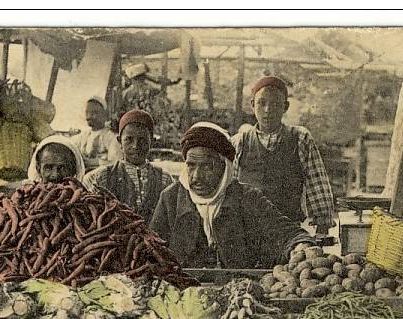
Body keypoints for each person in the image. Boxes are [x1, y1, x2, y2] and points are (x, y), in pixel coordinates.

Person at [149, 122, 313, 269]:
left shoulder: (247, 197)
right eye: (191, 166)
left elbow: (286, 233)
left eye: (207, 166)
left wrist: (299, 246)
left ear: (225, 166)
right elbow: (150, 248)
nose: (196, 176)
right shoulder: (170, 199)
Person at [231, 76, 336, 235]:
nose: (267, 110)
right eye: (262, 103)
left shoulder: (301, 138)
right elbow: (229, 189)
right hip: (247, 230)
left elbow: (317, 185)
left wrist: (322, 226)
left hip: (288, 229)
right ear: (252, 105)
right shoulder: (239, 142)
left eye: (275, 104)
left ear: (285, 107)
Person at [82, 109, 174, 224]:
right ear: (119, 141)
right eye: (129, 140)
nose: (135, 146)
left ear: (152, 141)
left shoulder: (165, 179)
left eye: (142, 140)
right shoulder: (101, 177)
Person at [71, 96, 121, 171]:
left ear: (104, 114)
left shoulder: (112, 137)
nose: (88, 117)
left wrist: (93, 162)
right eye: (87, 112)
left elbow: (116, 163)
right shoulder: (84, 136)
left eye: (94, 113)